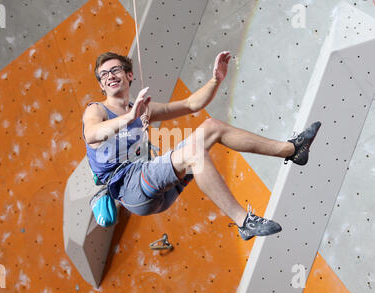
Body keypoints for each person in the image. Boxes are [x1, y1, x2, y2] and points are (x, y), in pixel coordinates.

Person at [82, 51, 321, 240]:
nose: (110, 76)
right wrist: (129, 117)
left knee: (212, 126)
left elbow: (190, 104)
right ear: (101, 85)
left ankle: (292, 150)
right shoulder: (97, 110)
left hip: (158, 187)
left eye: (115, 70)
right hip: (131, 189)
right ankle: (244, 222)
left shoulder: (141, 108)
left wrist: (215, 80)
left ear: (129, 75)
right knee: (195, 153)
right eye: (104, 75)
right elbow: (92, 133)